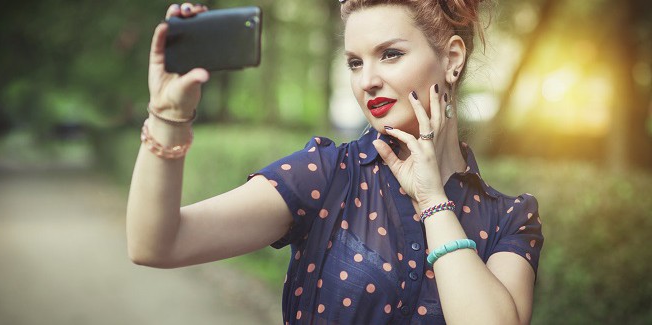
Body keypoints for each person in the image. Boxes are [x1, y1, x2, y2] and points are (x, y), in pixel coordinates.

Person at [127, 1, 544, 324]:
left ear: (452, 58)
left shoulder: (510, 218)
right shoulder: (326, 175)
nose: (367, 80)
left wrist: (433, 200)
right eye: (355, 62)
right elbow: (157, 244)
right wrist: (168, 114)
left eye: (391, 54)